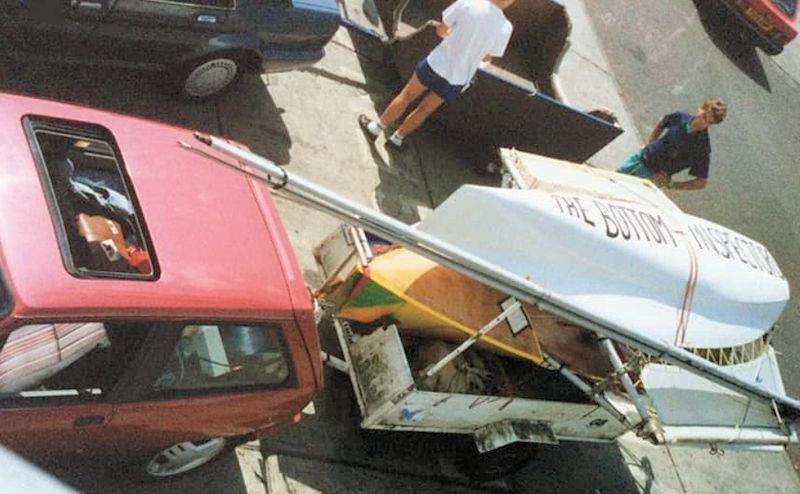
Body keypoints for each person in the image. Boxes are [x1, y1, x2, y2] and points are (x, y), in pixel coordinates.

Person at [358, 0, 515, 151]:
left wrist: (454, 38)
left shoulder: (469, 2)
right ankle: (397, 139)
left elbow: (441, 30)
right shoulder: (506, 28)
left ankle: (375, 129)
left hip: (436, 64)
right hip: (458, 78)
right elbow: (487, 57)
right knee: (424, 110)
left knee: (406, 96)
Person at [616, 99, 727, 190]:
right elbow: (662, 124)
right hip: (640, 158)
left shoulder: (702, 147)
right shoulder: (680, 117)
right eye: (703, 116)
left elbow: (701, 182)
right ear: (699, 109)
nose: (703, 123)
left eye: (709, 122)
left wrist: (672, 184)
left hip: (652, 177)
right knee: (612, 181)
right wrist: (650, 143)